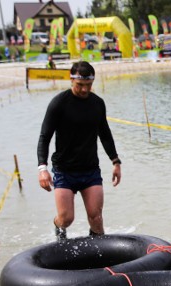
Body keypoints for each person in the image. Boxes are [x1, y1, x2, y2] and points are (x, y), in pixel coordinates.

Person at [36, 61, 121, 240]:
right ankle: (59, 239)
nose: (84, 90)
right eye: (80, 85)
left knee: (96, 217)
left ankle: (97, 256)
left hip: (90, 170)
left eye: (88, 85)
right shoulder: (59, 103)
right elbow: (45, 137)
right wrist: (42, 169)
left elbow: (104, 134)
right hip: (64, 170)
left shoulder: (97, 103)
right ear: (71, 80)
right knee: (67, 218)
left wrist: (115, 161)